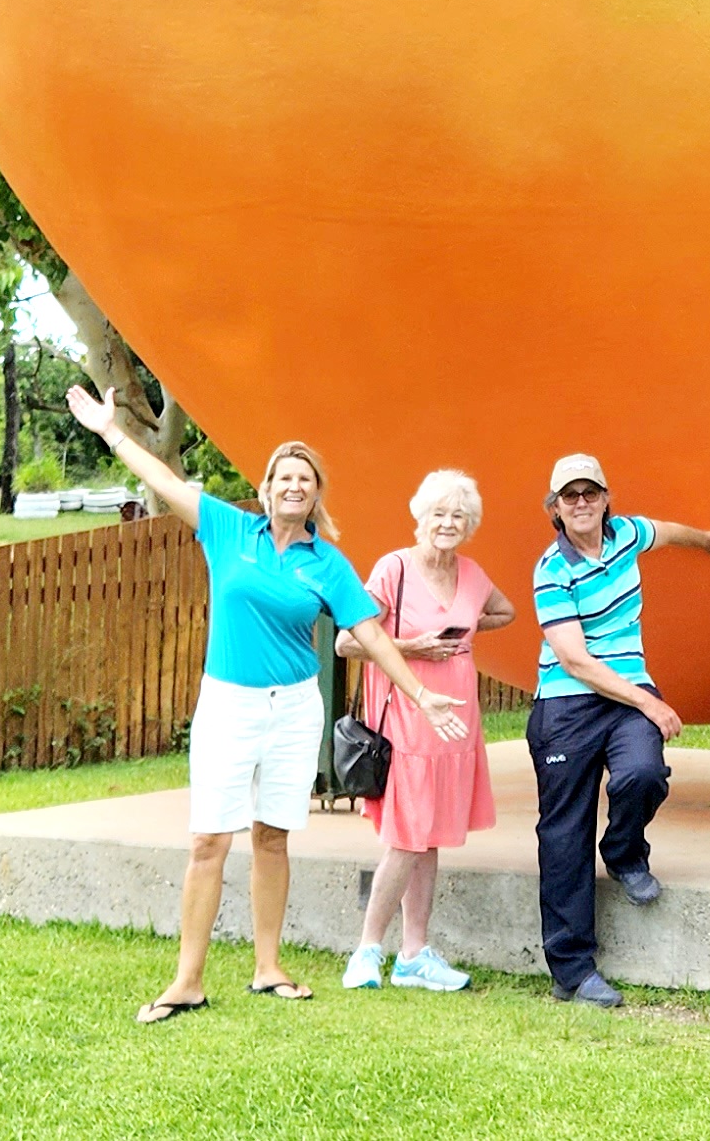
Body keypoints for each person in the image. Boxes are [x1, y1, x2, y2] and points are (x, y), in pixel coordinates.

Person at [66, 385, 468, 1023]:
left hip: (294, 708)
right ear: (266, 487)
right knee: (208, 840)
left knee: (272, 836)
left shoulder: (326, 562)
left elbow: (370, 635)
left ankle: (268, 968)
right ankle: (187, 981)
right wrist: (111, 432)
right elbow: (164, 479)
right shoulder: (228, 530)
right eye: (284, 476)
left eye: (304, 480)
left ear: (314, 494)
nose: (293, 487)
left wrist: (421, 696)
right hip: (229, 702)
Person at [527, 450, 710, 1008]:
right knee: (563, 835)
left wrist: (709, 541)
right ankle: (573, 971)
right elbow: (575, 661)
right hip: (566, 704)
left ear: (606, 499)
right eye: (569, 497)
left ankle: (625, 851)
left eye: (590, 493)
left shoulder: (627, 533)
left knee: (644, 774)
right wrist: (650, 704)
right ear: (554, 509)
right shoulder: (550, 570)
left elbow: (669, 531)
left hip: (626, 692)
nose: (581, 503)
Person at [337, 468, 516, 995]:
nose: (447, 523)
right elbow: (349, 642)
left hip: (456, 724)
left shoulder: (473, 573)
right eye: (438, 513)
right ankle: (367, 951)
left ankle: (414, 953)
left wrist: (467, 630)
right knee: (408, 837)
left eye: (458, 515)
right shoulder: (394, 568)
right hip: (409, 722)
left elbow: (505, 611)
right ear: (420, 517)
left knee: (430, 837)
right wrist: (415, 646)